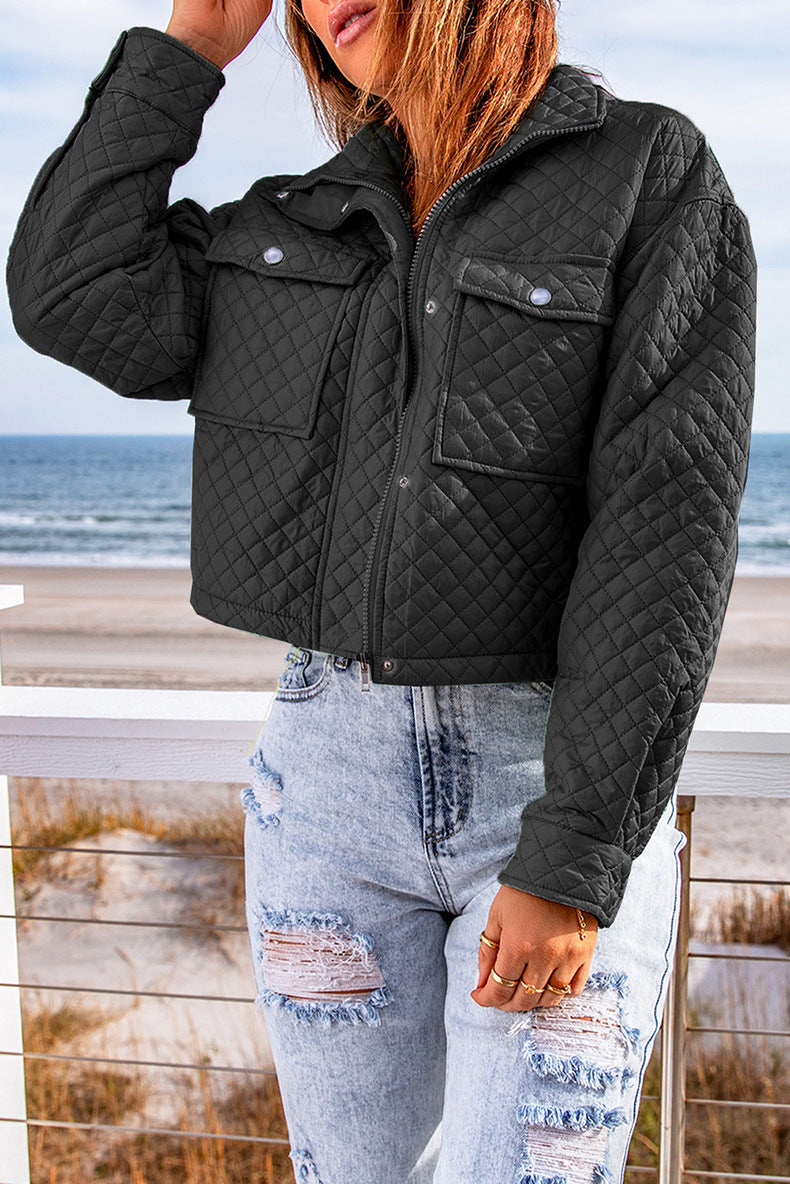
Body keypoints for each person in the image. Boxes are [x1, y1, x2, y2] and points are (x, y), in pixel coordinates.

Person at [6, 0, 757, 1180]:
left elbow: (664, 526)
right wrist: (189, 46)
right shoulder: (287, 226)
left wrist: (575, 851)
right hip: (326, 797)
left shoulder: (645, 175)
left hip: (548, 777)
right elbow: (66, 289)